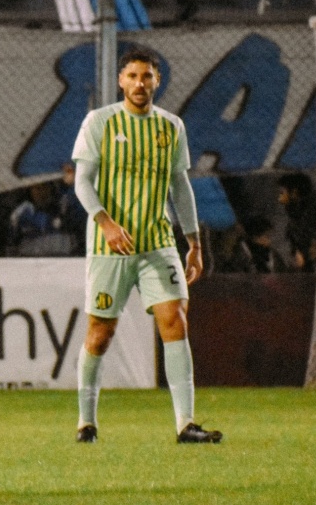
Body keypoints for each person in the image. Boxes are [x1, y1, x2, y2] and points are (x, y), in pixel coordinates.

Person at [71, 46, 221, 444]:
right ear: (121, 81)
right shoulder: (100, 122)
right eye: (133, 76)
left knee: (175, 320)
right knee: (100, 332)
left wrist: (194, 241)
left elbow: (180, 185)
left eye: (147, 76)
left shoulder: (171, 126)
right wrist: (105, 223)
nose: (140, 83)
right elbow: (82, 181)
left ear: (158, 80)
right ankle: (86, 422)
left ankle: (186, 423)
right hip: (110, 247)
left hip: (157, 242)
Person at [277, 173, 316, 272]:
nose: (279, 199)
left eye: (282, 193)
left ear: (294, 193)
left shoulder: (311, 215)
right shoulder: (295, 214)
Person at [223, 215, 288, 274]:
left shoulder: (273, 254)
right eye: (267, 236)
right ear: (255, 237)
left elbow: (284, 272)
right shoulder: (240, 254)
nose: (269, 240)